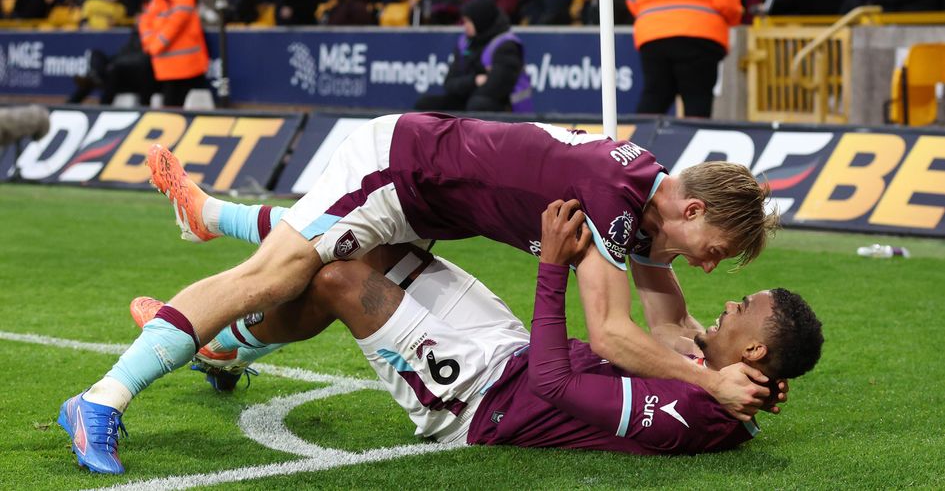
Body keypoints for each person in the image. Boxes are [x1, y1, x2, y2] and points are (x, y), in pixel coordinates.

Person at [60, 113, 781, 473]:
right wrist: (707, 381)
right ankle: (100, 400)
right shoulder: (612, 198)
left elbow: (668, 320)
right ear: (693, 210)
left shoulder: (644, 199)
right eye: (714, 252)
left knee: (331, 266)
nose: (708, 267)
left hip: (425, 204)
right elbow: (611, 336)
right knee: (275, 276)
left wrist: (721, 362)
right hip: (399, 169)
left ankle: (216, 276)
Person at [627, 0, 742, 118]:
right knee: (697, 98)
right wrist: (734, 19)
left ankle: (640, 133)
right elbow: (727, 1)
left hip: (653, 37)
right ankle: (694, 133)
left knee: (655, 96)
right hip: (698, 36)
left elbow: (632, 1)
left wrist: (655, 20)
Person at [414, 0, 531, 112]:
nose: (465, 26)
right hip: (469, 98)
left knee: (477, 104)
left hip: (504, 107)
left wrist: (467, 86)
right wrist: (474, 81)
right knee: (426, 104)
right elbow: (449, 84)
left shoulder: (506, 45)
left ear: (480, 20)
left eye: (468, 22)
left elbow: (496, 88)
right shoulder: (465, 43)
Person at [138, 0, 210, 107]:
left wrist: (154, 44)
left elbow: (178, 15)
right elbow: (147, 21)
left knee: (175, 107)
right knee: (174, 108)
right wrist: (155, 44)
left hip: (180, 65)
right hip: (176, 64)